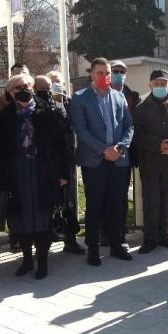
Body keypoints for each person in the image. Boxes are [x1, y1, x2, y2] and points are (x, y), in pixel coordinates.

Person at [0, 74, 70, 279]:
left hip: (43, 172)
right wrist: (2, 175)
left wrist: (63, 173)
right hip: (17, 174)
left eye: (27, 86)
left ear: (33, 87)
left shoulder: (48, 112)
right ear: (10, 93)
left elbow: (62, 144)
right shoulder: (6, 116)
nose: (23, 90)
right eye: (18, 88)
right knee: (21, 219)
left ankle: (42, 261)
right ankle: (27, 260)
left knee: (43, 217)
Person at [70, 58, 134, 266]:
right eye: (100, 73)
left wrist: (121, 147)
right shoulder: (80, 98)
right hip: (94, 161)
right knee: (95, 206)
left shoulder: (119, 97)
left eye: (107, 73)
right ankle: (94, 248)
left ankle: (117, 244)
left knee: (116, 204)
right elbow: (82, 130)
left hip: (118, 160)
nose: (105, 77)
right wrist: (103, 150)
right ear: (91, 74)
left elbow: (128, 126)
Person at [133, 69, 168, 254]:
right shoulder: (141, 108)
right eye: (156, 83)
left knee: (166, 201)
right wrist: (158, 145)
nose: (160, 86)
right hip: (150, 163)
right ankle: (150, 238)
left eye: (163, 83)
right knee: (150, 201)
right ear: (150, 85)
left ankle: (163, 235)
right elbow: (137, 135)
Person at [35, 75, 86, 255]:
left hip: (67, 162)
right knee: (48, 208)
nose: (51, 90)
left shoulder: (66, 105)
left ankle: (70, 240)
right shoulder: (37, 108)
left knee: (68, 205)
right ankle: (44, 246)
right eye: (46, 87)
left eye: (54, 86)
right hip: (48, 166)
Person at [108, 59, 140, 245]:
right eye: (115, 70)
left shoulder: (133, 96)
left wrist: (123, 146)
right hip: (102, 153)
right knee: (104, 196)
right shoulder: (99, 94)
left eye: (121, 71)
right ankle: (105, 233)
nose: (118, 74)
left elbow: (134, 125)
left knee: (120, 197)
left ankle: (120, 234)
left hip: (124, 153)